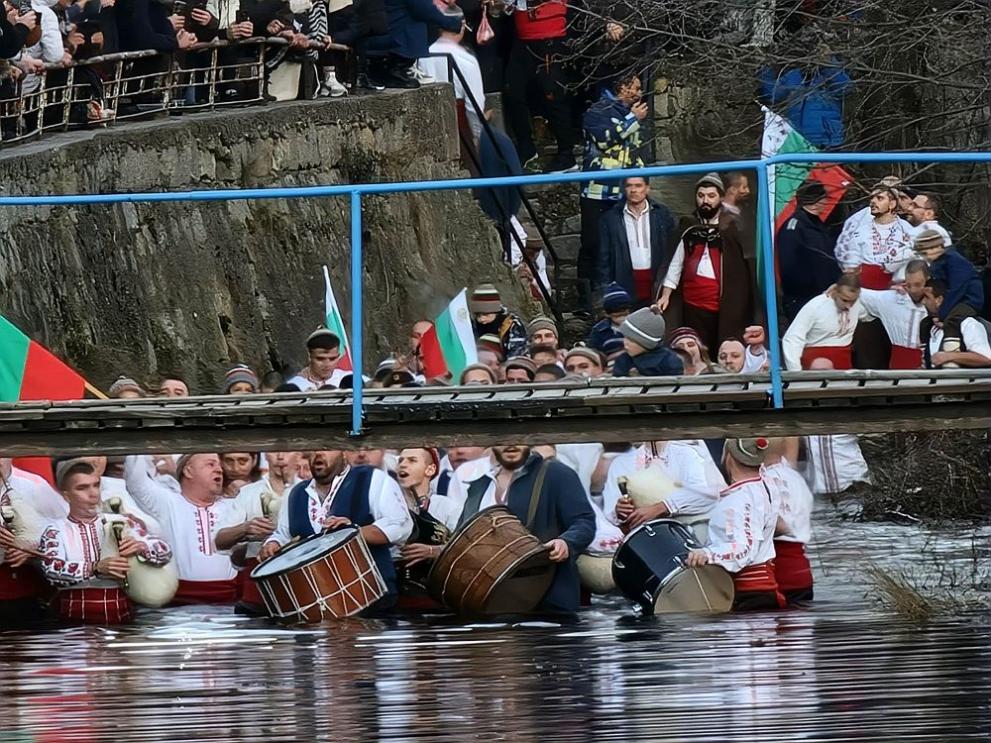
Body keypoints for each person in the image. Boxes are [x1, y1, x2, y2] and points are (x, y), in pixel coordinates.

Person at [447, 445, 595, 614]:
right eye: (504, 436)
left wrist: (566, 542)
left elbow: (584, 521)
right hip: (487, 603)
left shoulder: (557, 474)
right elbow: (463, 538)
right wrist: (436, 551)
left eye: (518, 437)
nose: (511, 444)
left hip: (549, 603)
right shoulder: (481, 483)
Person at [258, 450, 412, 605]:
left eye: (327, 448)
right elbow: (284, 534)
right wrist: (273, 544)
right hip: (315, 603)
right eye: (314, 449)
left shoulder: (372, 479)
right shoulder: (296, 492)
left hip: (373, 599)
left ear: (343, 452)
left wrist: (353, 533)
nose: (318, 454)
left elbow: (400, 524)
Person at [39, 459, 172, 624]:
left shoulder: (121, 521)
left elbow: (165, 551)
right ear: (66, 496)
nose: (93, 493)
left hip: (121, 613)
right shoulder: (55, 530)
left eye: (96, 485)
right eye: (82, 488)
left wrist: (142, 547)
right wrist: (95, 568)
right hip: (73, 620)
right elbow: (52, 571)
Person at [657, 173, 757, 351]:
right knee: (695, 348)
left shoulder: (732, 229)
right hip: (692, 306)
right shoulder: (689, 227)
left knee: (722, 346)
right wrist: (666, 294)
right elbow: (675, 263)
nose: (706, 201)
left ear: (720, 198)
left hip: (724, 306)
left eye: (711, 196)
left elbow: (742, 270)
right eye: (701, 196)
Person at [124, 453, 241, 604]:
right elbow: (136, 482)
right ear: (188, 471)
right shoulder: (168, 503)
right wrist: (141, 443)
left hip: (228, 605)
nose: (219, 470)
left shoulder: (235, 506)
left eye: (219, 465)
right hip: (179, 606)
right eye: (211, 464)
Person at [685, 437, 783, 611]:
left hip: (750, 595)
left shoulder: (738, 501)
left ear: (728, 456)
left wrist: (708, 554)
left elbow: (744, 550)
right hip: (764, 589)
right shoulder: (768, 484)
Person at [580, 76, 649, 306]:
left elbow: (635, 151)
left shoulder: (635, 114)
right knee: (593, 244)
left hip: (624, 192)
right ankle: (588, 302)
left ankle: (620, 296)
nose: (640, 92)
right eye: (636, 88)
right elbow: (604, 139)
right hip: (597, 192)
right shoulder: (597, 110)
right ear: (622, 87)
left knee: (622, 245)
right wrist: (632, 119)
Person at [503, 0, 577, 173]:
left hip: (550, 35)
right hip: (523, 36)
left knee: (553, 94)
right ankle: (526, 147)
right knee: (512, 92)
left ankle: (567, 154)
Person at [605, 440, 724, 530]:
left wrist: (662, 507)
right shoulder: (621, 463)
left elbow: (706, 495)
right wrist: (619, 511)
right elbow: (609, 513)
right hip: (643, 537)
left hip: (691, 530)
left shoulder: (686, 453)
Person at [596, 177, 677, 308]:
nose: (634, 190)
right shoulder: (610, 219)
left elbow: (673, 251)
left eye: (638, 186)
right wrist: (606, 290)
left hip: (656, 281)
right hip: (624, 282)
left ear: (647, 188)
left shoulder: (662, 215)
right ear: (624, 188)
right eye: (629, 186)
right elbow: (603, 258)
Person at [758, 47, 851, 148]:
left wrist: (828, 65)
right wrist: (765, 69)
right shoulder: (794, 76)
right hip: (798, 140)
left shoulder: (832, 74)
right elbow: (772, 95)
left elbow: (846, 89)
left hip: (827, 142)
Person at [803, 358, 871, 494]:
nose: (821, 378)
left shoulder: (848, 404)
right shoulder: (801, 409)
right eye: (815, 373)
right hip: (819, 491)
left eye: (826, 373)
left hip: (852, 485)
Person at [913, 229, 984, 358]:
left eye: (927, 252)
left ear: (939, 247)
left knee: (952, 321)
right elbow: (937, 286)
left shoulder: (955, 261)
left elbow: (957, 289)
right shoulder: (936, 264)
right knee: (925, 323)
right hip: (947, 300)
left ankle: (951, 353)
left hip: (967, 300)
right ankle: (925, 357)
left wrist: (942, 314)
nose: (926, 256)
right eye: (922, 254)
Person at [777, 181, 841, 321]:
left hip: (825, 298)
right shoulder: (794, 228)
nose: (826, 202)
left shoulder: (817, 226)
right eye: (823, 198)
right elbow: (789, 267)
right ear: (815, 200)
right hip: (804, 300)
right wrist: (815, 288)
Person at [416, 6, 484, 137]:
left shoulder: (423, 55)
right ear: (463, 26)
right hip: (459, 123)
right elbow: (475, 106)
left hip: (429, 122)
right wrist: (478, 136)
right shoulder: (467, 60)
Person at [762, 439, 814, 604]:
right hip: (802, 573)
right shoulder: (797, 479)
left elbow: (775, 527)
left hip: (777, 574)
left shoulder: (760, 482)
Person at [834, 186, 916, 289]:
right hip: (864, 290)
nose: (872, 201)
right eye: (872, 198)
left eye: (879, 198)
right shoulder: (860, 231)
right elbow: (850, 266)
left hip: (897, 290)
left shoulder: (907, 229)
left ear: (892, 204)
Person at [782, 273, 865, 370]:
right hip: (816, 365)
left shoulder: (860, 304)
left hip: (844, 365)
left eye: (853, 301)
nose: (849, 306)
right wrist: (795, 372)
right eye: (844, 300)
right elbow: (793, 338)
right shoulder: (815, 306)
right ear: (835, 291)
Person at [857, 259, 929, 369]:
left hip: (927, 367)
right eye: (909, 285)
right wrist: (839, 287)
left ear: (928, 280)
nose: (913, 290)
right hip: (898, 368)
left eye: (918, 284)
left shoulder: (937, 303)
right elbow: (858, 293)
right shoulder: (892, 300)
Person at [921, 280, 991, 368]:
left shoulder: (968, 323)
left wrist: (949, 356)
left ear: (939, 300)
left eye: (926, 297)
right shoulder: (928, 327)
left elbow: (986, 358)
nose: (923, 302)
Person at [611, 307, 683, 377]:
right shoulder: (623, 361)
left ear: (647, 343)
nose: (625, 343)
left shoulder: (669, 362)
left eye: (632, 340)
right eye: (625, 337)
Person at [469, 284, 527, 360]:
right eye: (477, 315)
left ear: (495, 311)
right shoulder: (474, 325)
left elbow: (517, 353)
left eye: (485, 314)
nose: (481, 319)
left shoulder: (512, 324)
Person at [588, 282, 631, 353]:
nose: (621, 313)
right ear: (607, 313)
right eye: (615, 310)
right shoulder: (599, 330)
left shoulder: (638, 325)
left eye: (624, 308)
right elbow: (593, 353)